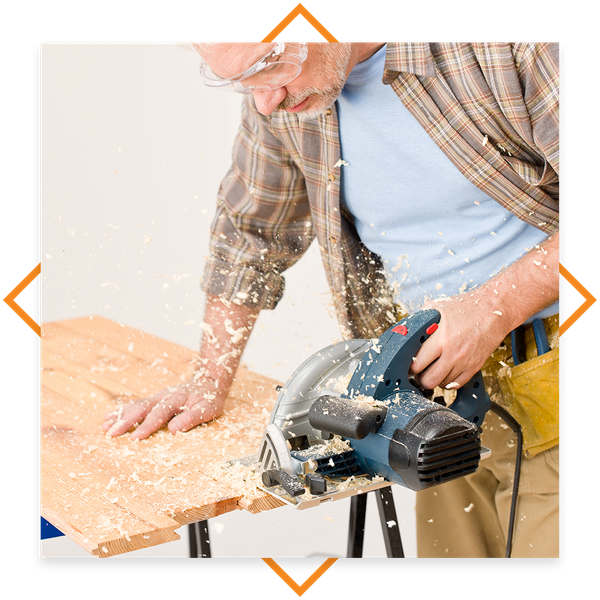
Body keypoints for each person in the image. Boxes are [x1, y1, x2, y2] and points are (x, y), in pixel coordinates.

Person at [102, 41, 560, 557]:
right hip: (432, 397)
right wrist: (210, 379)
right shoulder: (288, 91)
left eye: (267, 68)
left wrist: (490, 308)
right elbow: (250, 232)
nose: (263, 102)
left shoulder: (503, 50)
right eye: (240, 81)